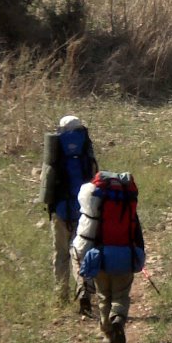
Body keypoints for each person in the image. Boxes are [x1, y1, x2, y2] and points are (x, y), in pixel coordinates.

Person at [73, 172, 146, 343]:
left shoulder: (96, 210)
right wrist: (138, 258)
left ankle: (107, 332)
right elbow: (138, 238)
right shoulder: (130, 210)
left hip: (102, 257)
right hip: (125, 257)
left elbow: (87, 236)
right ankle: (118, 319)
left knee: (104, 296)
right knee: (121, 295)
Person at [43, 114, 98, 314]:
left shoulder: (55, 150)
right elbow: (94, 179)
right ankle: (84, 288)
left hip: (60, 210)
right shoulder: (85, 149)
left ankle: (61, 296)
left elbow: (46, 184)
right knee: (81, 253)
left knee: (61, 253)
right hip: (84, 211)